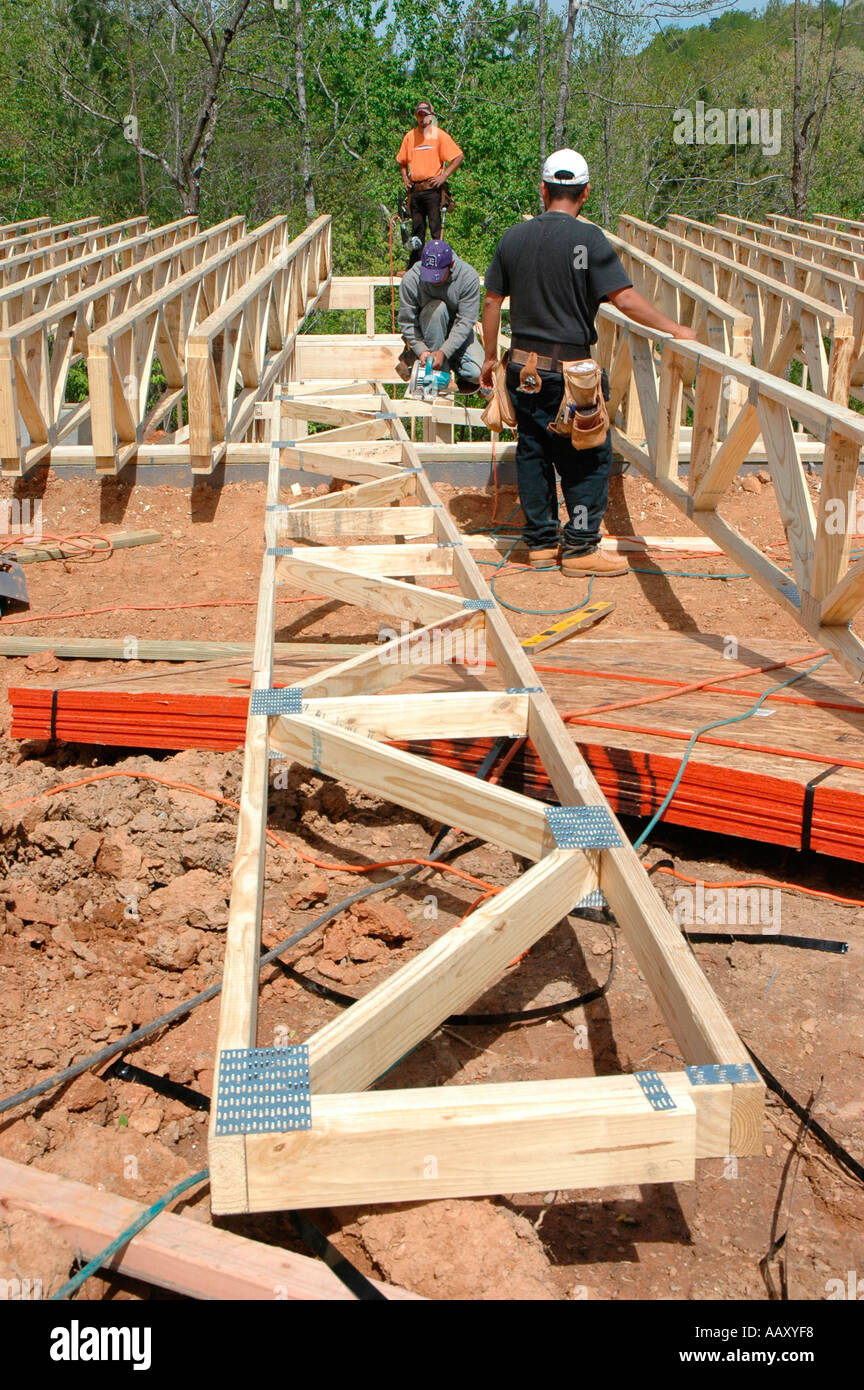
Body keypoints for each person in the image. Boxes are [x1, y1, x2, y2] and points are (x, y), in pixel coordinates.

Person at [480, 148, 698, 577]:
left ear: (543, 190)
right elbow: (626, 299)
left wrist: (490, 356)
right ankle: (579, 549)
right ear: (585, 193)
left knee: (534, 450)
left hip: (523, 369)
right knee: (588, 456)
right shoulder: (588, 241)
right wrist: (677, 329)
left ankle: (541, 545)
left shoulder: (513, 238)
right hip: (572, 375)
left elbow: (491, 300)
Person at [397, 239, 486, 393]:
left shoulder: (468, 277)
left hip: (456, 333)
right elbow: (407, 322)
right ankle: (436, 374)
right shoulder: (411, 279)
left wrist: (444, 352)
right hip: (426, 332)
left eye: (437, 276)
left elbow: (465, 322)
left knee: (478, 373)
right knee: (437, 309)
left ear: (450, 265)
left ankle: (445, 363)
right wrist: (421, 350)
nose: (432, 280)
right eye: (428, 275)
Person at [396, 101, 463, 266]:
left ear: (431, 116)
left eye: (425, 114)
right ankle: (415, 266)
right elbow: (402, 161)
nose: (422, 118)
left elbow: (458, 156)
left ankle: (438, 264)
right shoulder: (410, 137)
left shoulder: (438, 135)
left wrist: (444, 176)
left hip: (433, 189)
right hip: (416, 190)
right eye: (419, 115)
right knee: (417, 230)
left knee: (435, 228)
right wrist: (405, 178)